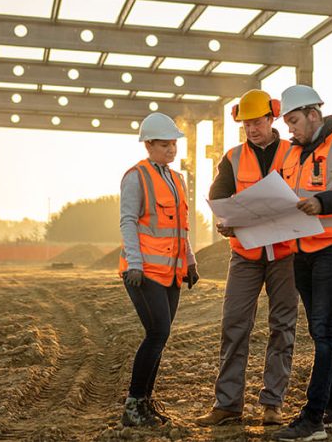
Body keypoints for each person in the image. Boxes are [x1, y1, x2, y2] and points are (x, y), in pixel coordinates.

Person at [272, 85, 332, 441]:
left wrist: (322, 202)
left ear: (314, 114)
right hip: (304, 252)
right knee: (322, 331)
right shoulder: (292, 155)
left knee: (324, 331)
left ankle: (313, 419)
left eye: (295, 121)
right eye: (287, 123)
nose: (291, 130)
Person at [195, 90, 298, 428]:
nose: (252, 129)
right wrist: (227, 223)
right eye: (246, 124)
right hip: (245, 253)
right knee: (235, 325)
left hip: (285, 253)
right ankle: (227, 405)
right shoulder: (233, 157)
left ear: (272, 119)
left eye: (257, 122)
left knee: (282, 327)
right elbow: (217, 196)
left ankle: (272, 404)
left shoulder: (294, 153)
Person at [118, 112, 200, 428]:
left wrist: (190, 260)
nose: (171, 150)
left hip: (171, 271)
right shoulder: (135, 177)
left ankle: (145, 403)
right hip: (143, 272)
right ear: (148, 145)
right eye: (164, 144)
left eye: (174, 144)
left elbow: (180, 226)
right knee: (157, 332)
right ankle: (133, 405)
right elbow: (127, 221)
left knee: (160, 336)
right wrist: (135, 264)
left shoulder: (176, 178)